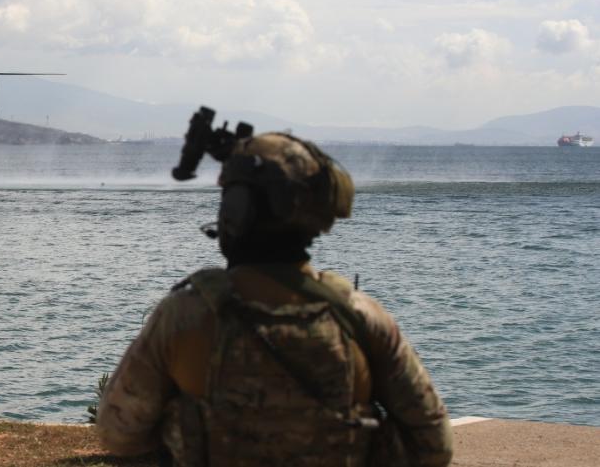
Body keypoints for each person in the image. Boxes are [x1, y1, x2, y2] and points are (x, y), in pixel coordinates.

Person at [96, 132, 453, 467]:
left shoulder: (186, 316)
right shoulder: (359, 316)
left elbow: (117, 434)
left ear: (235, 211)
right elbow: (434, 445)